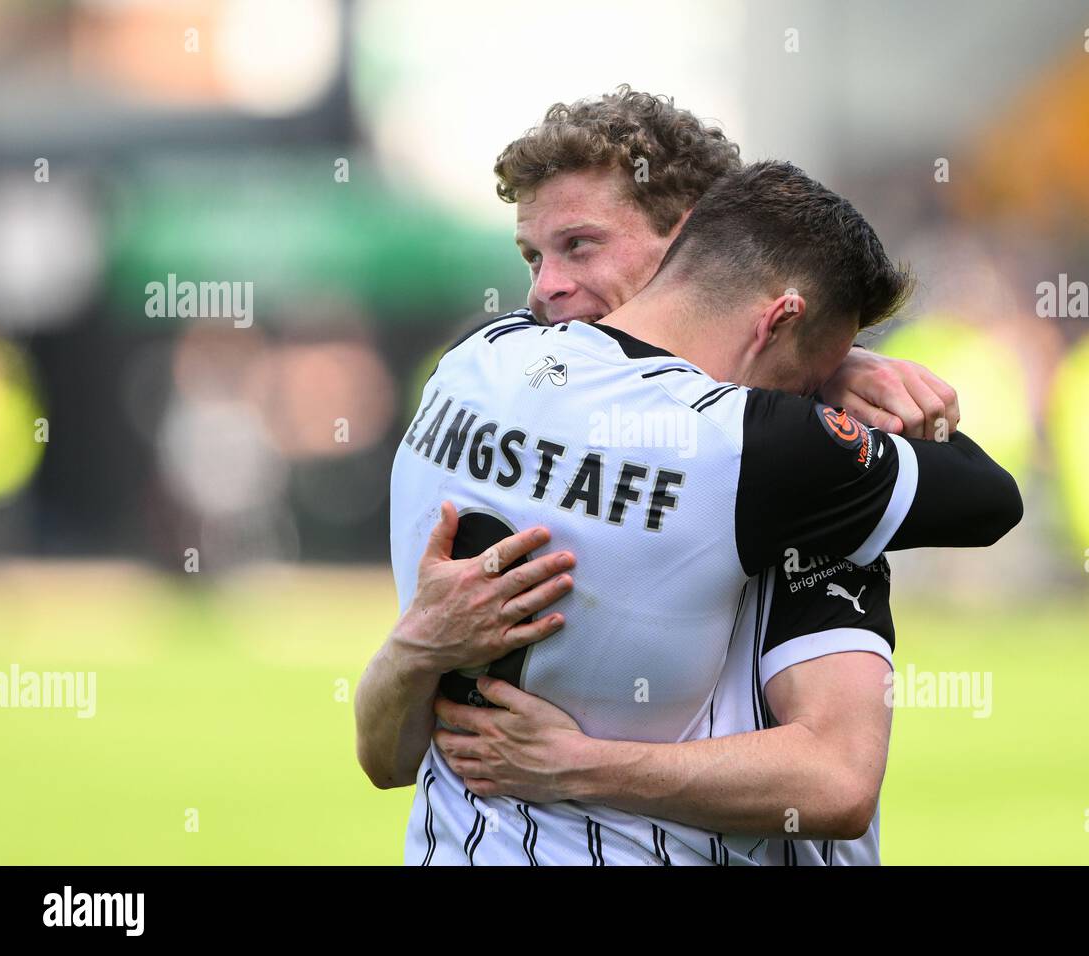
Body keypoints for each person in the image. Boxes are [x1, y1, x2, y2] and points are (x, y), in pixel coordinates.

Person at [375, 155, 1021, 865]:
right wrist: (832, 380)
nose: (548, 286)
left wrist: (413, 650)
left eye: (579, 245)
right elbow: (988, 495)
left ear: (685, 243)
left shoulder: (478, 362)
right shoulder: (762, 450)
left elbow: (383, 761)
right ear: (778, 317)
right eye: (534, 255)